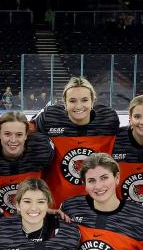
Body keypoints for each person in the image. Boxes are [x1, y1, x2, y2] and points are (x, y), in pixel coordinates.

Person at [33, 77, 120, 206]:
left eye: (84, 100)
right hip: (57, 205)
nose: (79, 106)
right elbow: (21, 129)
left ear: (92, 101)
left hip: (97, 204)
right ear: (65, 103)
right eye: (72, 101)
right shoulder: (50, 117)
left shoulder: (107, 119)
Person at [0, 111, 55, 215]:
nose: (13, 140)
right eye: (7, 134)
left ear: (26, 135)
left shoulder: (41, 150)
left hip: (29, 217)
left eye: (19, 134)